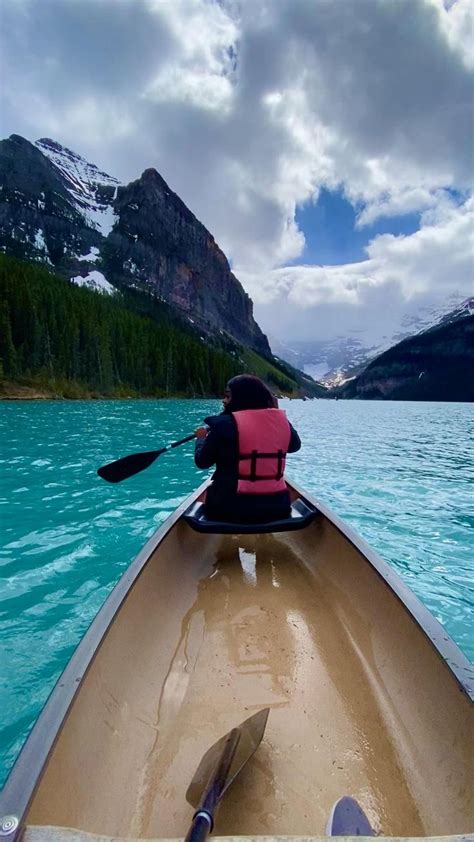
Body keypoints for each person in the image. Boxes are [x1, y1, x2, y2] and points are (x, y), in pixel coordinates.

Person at [194, 375, 301, 523]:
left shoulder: (221, 425)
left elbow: (202, 462)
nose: (224, 401)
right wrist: (275, 413)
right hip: (277, 509)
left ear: (239, 398)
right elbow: (295, 446)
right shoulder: (279, 423)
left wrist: (200, 439)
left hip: (226, 510)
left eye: (228, 396)